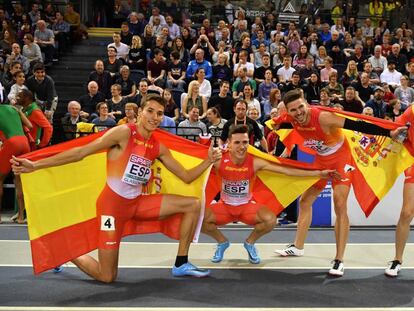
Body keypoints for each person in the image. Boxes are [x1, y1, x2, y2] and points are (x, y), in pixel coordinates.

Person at [12, 94, 222, 282]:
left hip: (137, 204)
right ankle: (65, 251)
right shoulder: (123, 133)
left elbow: (186, 177)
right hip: (111, 211)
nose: (154, 117)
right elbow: (80, 153)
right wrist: (36, 165)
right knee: (107, 275)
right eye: (150, 111)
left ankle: (181, 263)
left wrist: (208, 161)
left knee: (192, 205)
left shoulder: (158, 145)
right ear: (140, 112)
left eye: (159, 113)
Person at [274, 89, 404, 276]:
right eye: (293, 110)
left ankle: (339, 259)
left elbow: (357, 125)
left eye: (301, 107)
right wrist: (277, 124)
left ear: (307, 105)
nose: (298, 113)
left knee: (339, 204)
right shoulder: (291, 117)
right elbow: (285, 122)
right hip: (321, 160)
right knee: (305, 201)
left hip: (341, 159)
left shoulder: (324, 118)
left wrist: (389, 132)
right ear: (288, 111)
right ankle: (298, 246)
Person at [202, 124, 338, 264]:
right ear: (228, 144)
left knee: (270, 220)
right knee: (198, 220)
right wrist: (207, 154)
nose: (242, 146)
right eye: (237, 142)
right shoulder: (218, 161)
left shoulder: (255, 162)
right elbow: (194, 163)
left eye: (245, 142)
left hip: (246, 208)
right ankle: (222, 242)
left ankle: (250, 243)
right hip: (224, 208)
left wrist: (319, 173)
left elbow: (287, 171)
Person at [384, 105, 414, 276]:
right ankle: (397, 259)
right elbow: (396, 129)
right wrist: (397, 134)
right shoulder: (411, 111)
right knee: (407, 213)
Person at [0, 105, 31, 224]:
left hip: (12, 142)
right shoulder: (12, 108)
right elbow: (29, 125)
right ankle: (21, 217)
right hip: (24, 142)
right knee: (19, 179)